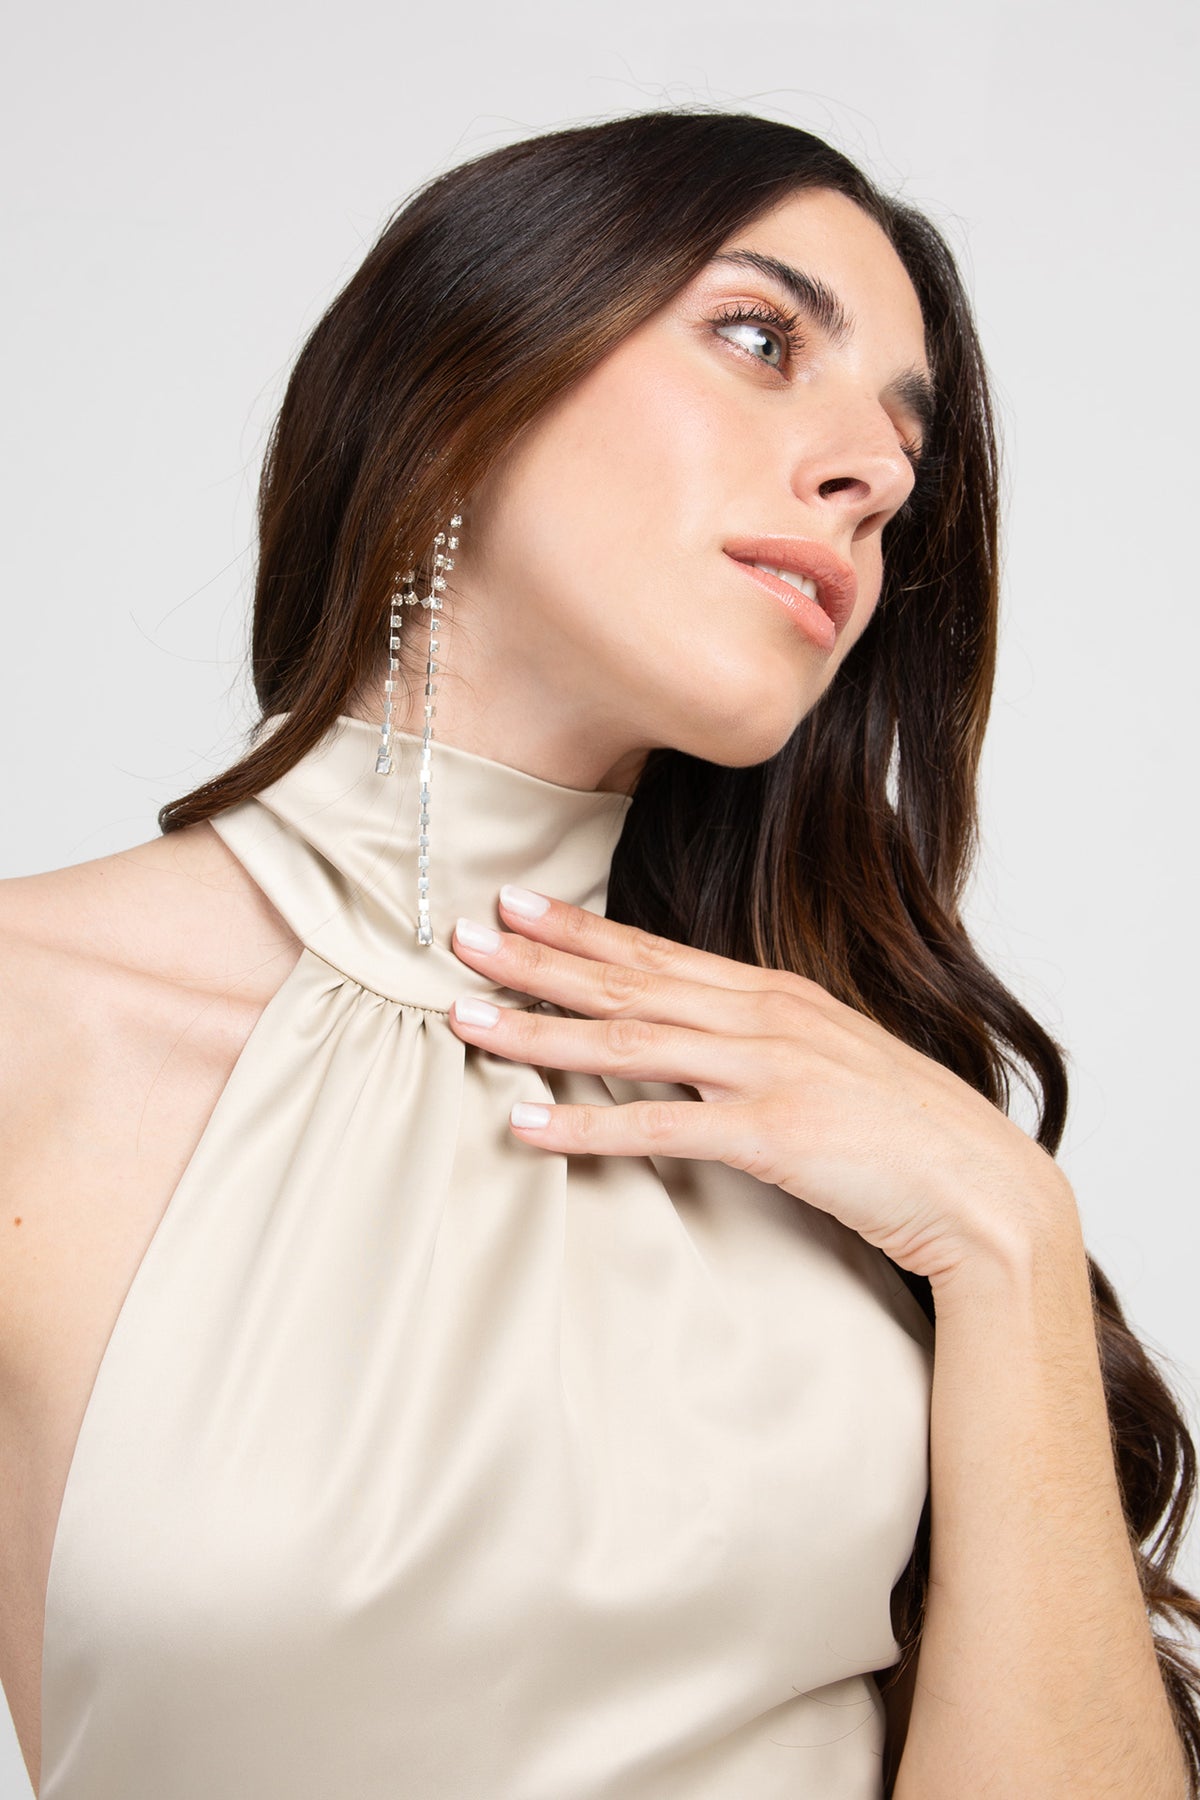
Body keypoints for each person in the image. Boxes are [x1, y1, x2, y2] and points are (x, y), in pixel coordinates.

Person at [1, 105, 1196, 1800]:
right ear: (464, 377)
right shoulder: (29, 1031)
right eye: (760, 339)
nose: (871, 476)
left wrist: (1006, 1229)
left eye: (902, 456)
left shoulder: (856, 1132)